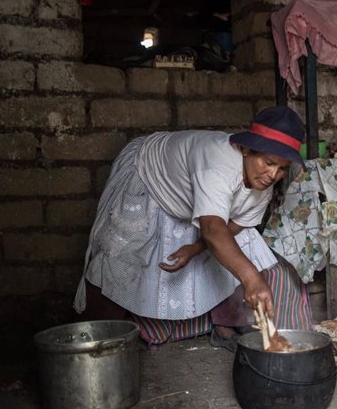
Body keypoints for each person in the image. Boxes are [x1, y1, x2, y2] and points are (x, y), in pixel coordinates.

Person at [73, 106, 313, 350]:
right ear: (247, 149)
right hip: (148, 171)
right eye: (268, 162)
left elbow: (233, 227)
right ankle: (89, 338)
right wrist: (252, 279)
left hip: (190, 191)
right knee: (122, 256)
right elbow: (213, 229)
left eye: (282, 168)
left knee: (233, 250)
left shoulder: (262, 181)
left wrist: (195, 248)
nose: (273, 174)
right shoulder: (217, 163)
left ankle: (226, 326)